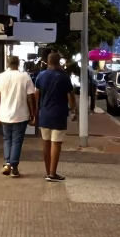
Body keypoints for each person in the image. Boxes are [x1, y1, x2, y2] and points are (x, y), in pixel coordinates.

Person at [33, 52, 75, 183]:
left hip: (44, 113)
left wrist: (35, 111)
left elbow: (36, 95)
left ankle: (47, 172)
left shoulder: (41, 75)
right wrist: (73, 110)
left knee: (46, 142)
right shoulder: (64, 77)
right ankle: (52, 173)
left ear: (48, 61)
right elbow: (71, 97)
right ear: (59, 62)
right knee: (56, 143)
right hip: (59, 114)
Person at [0, 54, 37, 178]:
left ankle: (7, 163)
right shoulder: (25, 77)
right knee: (17, 141)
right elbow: (30, 97)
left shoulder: (0, 77)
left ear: (7, 63)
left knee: (7, 139)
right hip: (21, 114)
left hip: (5, 115)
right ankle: (14, 167)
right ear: (18, 64)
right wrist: (33, 114)